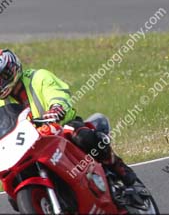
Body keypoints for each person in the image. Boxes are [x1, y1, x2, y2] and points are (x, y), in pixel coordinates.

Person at [0, 50, 139, 186]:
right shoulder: (2, 102)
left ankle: (118, 166)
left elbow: (58, 94)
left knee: (83, 137)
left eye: (1, 77)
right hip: (29, 144)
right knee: (14, 181)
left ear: (12, 69)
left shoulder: (39, 77)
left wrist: (56, 108)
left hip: (60, 127)